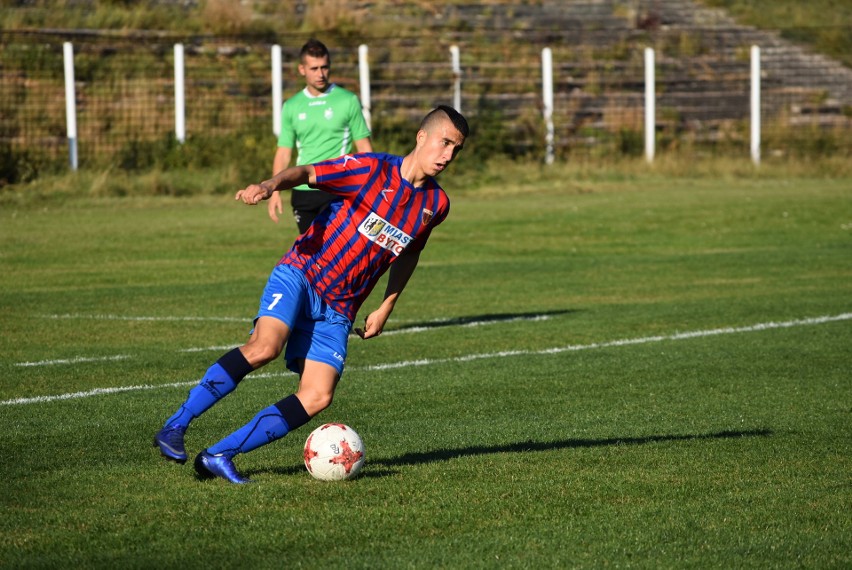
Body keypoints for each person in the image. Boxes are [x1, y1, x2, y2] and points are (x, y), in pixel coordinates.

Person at [153, 105, 469, 484]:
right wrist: (270, 185)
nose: (448, 155)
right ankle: (175, 425)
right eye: (444, 142)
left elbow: (410, 252)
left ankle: (220, 454)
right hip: (302, 274)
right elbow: (307, 172)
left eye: (456, 149)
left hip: (339, 308)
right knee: (265, 347)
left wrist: (386, 305)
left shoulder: (436, 205)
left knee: (318, 395)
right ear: (421, 137)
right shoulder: (371, 170)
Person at [269, 38, 373, 234]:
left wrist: (369, 186)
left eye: (324, 67)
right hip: (303, 191)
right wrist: (275, 190)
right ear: (302, 69)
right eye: (314, 68)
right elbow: (283, 152)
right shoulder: (291, 106)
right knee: (310, 253)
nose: (320, 74)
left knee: (336, 251)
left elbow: (364, 149)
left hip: (337, 187)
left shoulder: (348, 100)